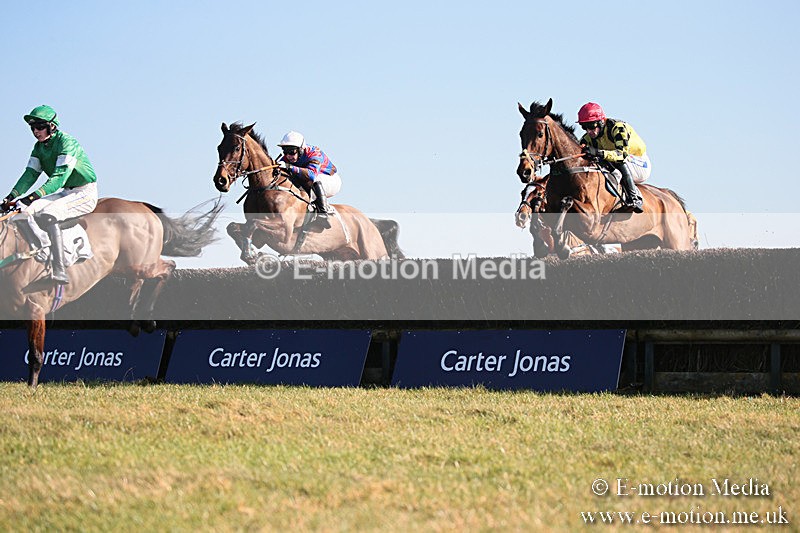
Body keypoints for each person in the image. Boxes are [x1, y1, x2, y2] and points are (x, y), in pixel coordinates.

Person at [0, 105, 99, 283]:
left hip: (84, 192)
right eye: (32, 128)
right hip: (65, 192)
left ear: (52, 126)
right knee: (23, 212)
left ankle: (60, 269)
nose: (35, 132)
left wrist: (30, 198)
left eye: (39, 127)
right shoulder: (38, 148)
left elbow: (58, 179)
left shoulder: (67, 143)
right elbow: (29, 175)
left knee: (48, 213)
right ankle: (39, 254)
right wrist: (10, 198)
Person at [577, 102, 649, 213]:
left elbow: (621, 155)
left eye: (591, 126)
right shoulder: (587, 138)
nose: (588, 131)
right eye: (584, 127)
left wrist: (598, 152)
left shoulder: (618, 128)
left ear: (601, 122)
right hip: (616, 162)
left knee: (616, 162)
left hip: (638, 163)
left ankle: (634, 198)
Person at [277, 131, 341, 229]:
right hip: (311, 180)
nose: (288, 156)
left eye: (291, 152)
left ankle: (323, 213)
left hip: (330, 180)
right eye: (285, 152)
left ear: (301, 149)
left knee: (313, 179)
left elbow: (311, 175)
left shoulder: (314, 153)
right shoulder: (287, 157)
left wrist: (288, 166)